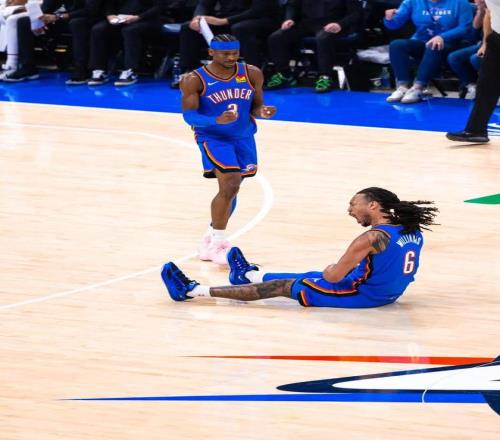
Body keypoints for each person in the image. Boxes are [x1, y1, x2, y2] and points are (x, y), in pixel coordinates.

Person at [161, 187, 439, 307]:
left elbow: (333, 277)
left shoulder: (371, 238)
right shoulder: (412, 229)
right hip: (388, 292)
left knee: (285, 286)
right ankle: (247, 275)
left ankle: (192, 290)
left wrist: (331, 269)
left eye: (353, 204)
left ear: (373, 205)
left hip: (363, 295)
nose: (350, 210)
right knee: (310, 275)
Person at [180, 34, 276, 265]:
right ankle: (217, 244)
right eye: (225, 54)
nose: (232, 58)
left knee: (232, 189)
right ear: (211, 52)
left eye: (235, 53)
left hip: (243, 137)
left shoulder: (252, 73)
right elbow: (189, 116)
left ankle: (210, 236)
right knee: (230, 183)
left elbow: (256, 106)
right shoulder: (194, 79)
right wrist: (215, 120)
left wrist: (262, 112)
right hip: (213, 137)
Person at [172, 0, 280, 88]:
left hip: (259, 19)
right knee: (188, 27)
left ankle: (253, 75)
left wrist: (224, 21)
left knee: (240, 28)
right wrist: (197, 18)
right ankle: (190, 72)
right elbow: (204, 4)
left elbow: (258, 10)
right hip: (228, 19)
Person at [384, 0, 473, 104]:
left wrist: (442, 37)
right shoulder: (412, 1)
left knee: (434, 45)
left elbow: (465, 27)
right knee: (397, 45)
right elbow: (394, 25)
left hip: (451, 43)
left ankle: (418, 88)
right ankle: (403, 86)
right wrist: (389, 18)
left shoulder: (460, 2)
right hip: (422, 41)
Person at [266, 0, 363, 93]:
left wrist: (340, 24)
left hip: (334, 23)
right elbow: (293, 5)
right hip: (306, 23)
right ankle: (284, 74)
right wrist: (289, 18)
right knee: (277, 37)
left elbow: (356, 13)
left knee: (323, 37)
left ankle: (325, 77)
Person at [446, 0, 500, 143]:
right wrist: (486, 43)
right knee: (485, 85)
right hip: (497, 38)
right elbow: (489, 13)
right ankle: (476, 130)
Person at [446, 0, 487, 99]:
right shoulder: (483, 8)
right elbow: (475, 28)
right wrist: (481, 10)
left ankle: (491, 88)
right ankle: (473, 85)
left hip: (493, 44)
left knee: (476, 58)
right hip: (484, 43)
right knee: (454, 58)